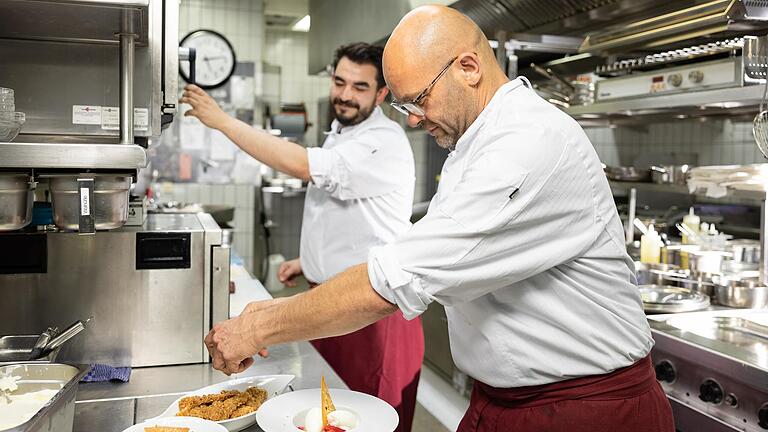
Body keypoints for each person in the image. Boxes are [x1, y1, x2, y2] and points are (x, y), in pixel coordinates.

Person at [202, 6, 675, 432]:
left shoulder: (528, 143)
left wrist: (258, 328)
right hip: (504, 400)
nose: (412, 120)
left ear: (468, 68)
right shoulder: (476, 142)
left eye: (418, 100)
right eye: (404, 106)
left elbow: (396, 279)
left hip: (584, 411)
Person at [181, 42, 424, 432]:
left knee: (363, 416)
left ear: (381, 94)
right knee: (327, 414)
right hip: (331, 305)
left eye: (360, 87)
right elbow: (346, 216)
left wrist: (223, 121)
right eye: (339, 81)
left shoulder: (384, 141)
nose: (345, 94)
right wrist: (307, 262)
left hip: (370, 314)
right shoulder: (342, 133)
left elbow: (302, 165)